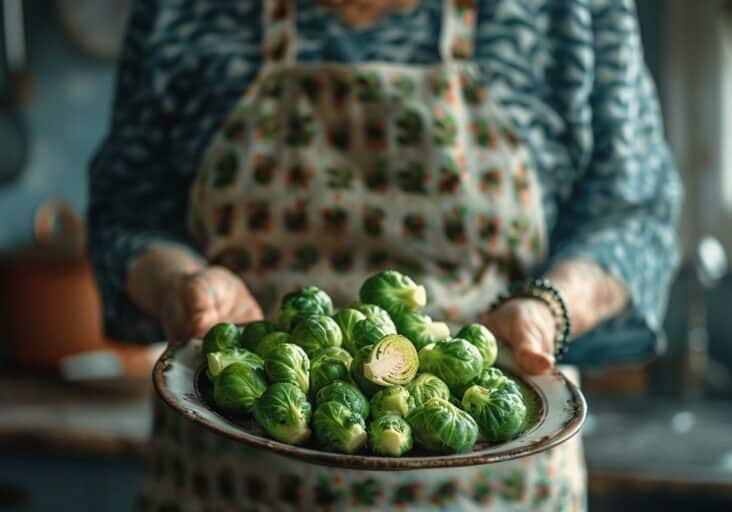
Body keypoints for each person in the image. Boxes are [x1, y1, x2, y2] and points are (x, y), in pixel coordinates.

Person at [88, 0, 682, 510]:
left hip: (491, 492)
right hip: (225, 484)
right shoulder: (183, 10)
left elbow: (633, 218)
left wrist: (548, 309)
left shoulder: (568, 12)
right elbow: (127, 211)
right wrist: (178, 282)